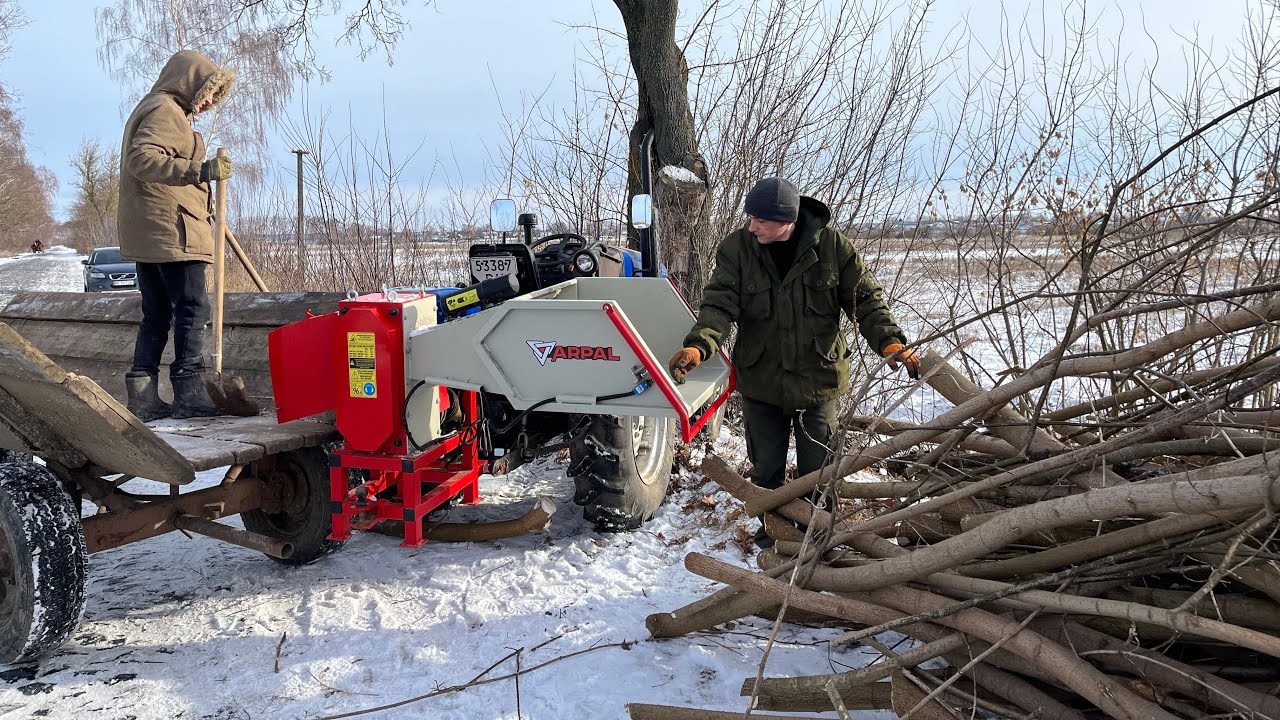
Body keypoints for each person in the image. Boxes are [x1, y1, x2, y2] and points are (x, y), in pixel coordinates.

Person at [669, 177, 920, 541]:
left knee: (818, 471)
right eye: (750, 218)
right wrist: (699, 345)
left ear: (788, 219)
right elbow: (718, 305)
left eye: (762, 221)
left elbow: (866, 301)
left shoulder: (833, 248)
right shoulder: (738, 250)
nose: (752, 226)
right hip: (762, 381)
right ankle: (774, 536)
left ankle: (816, 539)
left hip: (817, 380)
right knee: (766, 470)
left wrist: (891, 343)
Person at [117, 50, 235, 421]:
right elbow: (143, 158)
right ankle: (188, 391)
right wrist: (198, 170)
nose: (209, 102)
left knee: (156, 313)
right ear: (190, 82)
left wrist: (206, 201)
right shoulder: (165, 109)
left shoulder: (154, 107)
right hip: (173, 231)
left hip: (156, 229)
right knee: (191, 308)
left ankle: (143, 393)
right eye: (208, 93)